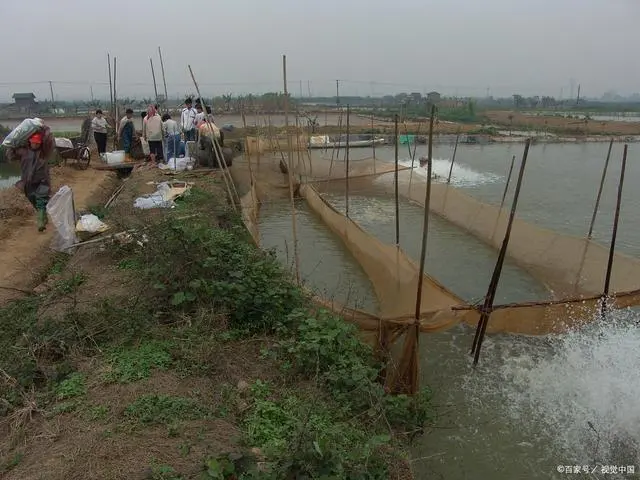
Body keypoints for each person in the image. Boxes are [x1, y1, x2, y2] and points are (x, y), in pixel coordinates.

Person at [8, 131, 53, 232]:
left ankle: (40, 223)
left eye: (38, 143)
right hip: (27, 182)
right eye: (34, 142)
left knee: (41, 200)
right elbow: (11, 155)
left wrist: (44, 130)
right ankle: (43, 216)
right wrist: (11, 146)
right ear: (30, 142)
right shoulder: (23, 152)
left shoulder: (43, 152)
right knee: (33, 199)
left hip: (42, 181)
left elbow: (50, 142)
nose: (35, 144)